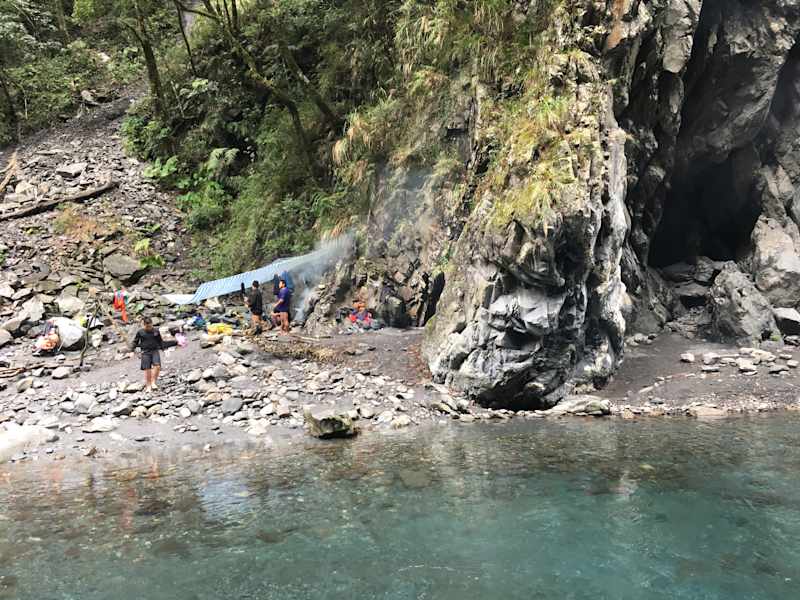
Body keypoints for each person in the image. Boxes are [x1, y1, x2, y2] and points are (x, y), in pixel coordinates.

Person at [131, 317, 177, 391]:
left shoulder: (156, 331)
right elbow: (135, 342)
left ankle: (153, 382)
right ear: (143, 325)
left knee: (157, 366)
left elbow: (160, 342)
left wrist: (165, 349)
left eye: (149, 326)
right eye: (146, 326)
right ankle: (148, 385)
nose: (148, 328)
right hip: (145, 352)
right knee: (147, 369)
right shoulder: (140, 332)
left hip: (155, 351)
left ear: (152, 324)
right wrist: (132, 350)